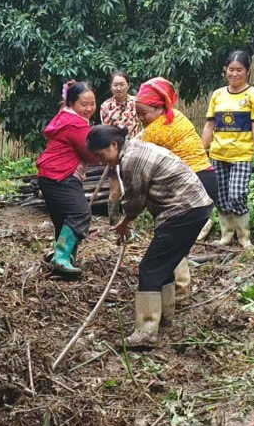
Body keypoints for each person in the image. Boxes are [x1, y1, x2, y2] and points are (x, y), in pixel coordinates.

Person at [87, 126, 213, 348]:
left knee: (150, 268)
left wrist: (124, 223)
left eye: (101, 155)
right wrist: (125, 223)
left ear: (114, 145)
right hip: (194, 207)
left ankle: (146, 332)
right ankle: (165, 319)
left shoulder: (131, 160)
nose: (101, 161)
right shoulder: (134, 147)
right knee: (164, 266)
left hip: (182, 210)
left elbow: (135, 200)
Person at [135, 77, 217, 299]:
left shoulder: (157, 131)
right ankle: (177, 291)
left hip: (191, 185)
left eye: (144, 113)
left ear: (160, 107)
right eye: (138, 114)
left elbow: (135, 155)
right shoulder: (175, 117)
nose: (141, 118)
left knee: (170, 245)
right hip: (205, 179)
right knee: (176, 243)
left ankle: (177, 292)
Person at [202, 50, 254, 249]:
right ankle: (226, 236)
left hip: (241, 154)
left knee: (237, 194)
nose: (234, 74)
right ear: (225, 70)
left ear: (248, 71)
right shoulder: (217, 95)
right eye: (231, 70)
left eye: (239, 70)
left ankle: (244, 237)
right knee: (221, 196)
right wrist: (201, 150)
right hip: (218, 154)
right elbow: (209, 126)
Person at [36, 81, 102, 278]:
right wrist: (106, 154)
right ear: (72, 103)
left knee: (63, 220)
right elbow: (89, 154)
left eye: (92, 103)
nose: (89, 108)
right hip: (61, 175)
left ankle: (63, 260)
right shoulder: (76, 123)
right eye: (84, 104)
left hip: (47, 175)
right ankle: (61, 257)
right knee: (80, 214)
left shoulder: (63, 116)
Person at [99, 70, 140, 137]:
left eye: (122, 85)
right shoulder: (105, 106)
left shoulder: (136, 102)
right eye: (115, 85)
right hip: (115, 144)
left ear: (128, 85)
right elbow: (105, 130)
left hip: (136, 144)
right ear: (110, 86)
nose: (118, 88)